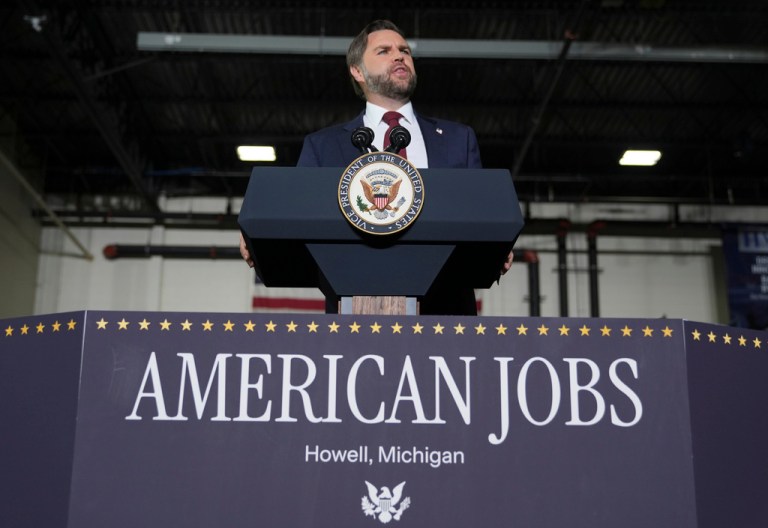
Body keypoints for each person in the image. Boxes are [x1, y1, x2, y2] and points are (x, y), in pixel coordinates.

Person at [240, 19, 512, 314]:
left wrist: (496, 241)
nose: (399, 55)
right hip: (355, 315)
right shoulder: (323, 146)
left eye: (404, 50)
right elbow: (295, 216)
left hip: (447, 315)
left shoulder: (459, 139)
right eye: (384, 51)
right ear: (357, 71)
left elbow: (478, 213)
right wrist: (258, 232)